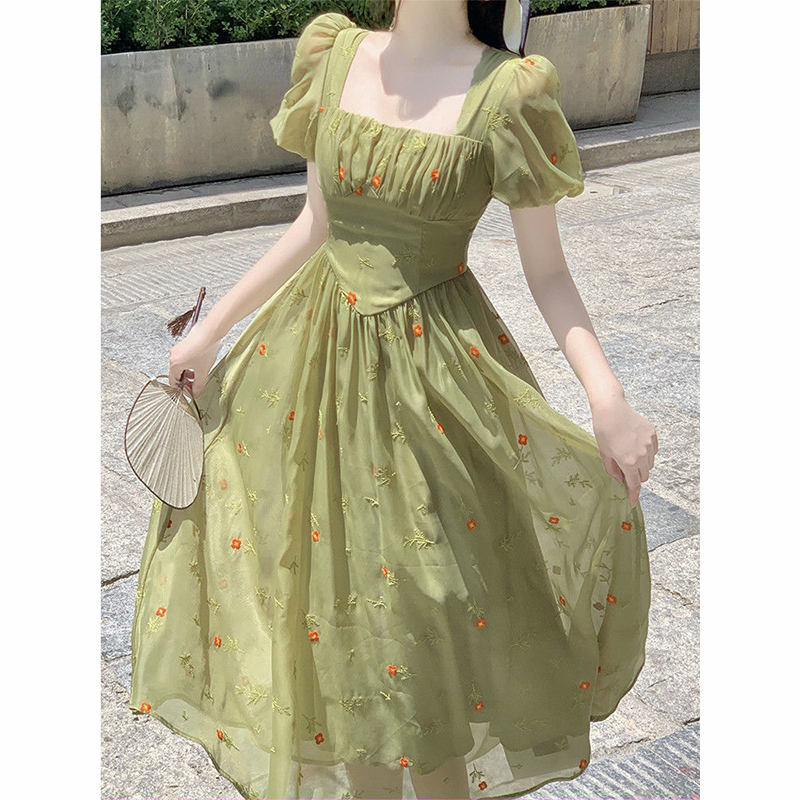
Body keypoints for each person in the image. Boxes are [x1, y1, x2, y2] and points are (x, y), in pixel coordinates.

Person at [128, 1, 657, 798]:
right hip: (310, 376)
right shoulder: (333, 54)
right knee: (336, 629)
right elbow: (314, 223)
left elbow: (548, 272)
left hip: (434, 394)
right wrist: (211, 332)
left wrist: (606, 398)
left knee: (424, 635)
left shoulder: (509, 92)